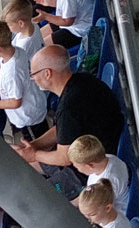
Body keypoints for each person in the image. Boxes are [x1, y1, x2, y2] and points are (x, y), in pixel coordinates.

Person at [18, 46, 126, 179]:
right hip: (101, 145)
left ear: (47, 73)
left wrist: (34, 155)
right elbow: (62, 130)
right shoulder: (82, 79)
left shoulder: (68, 107)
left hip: (97, 163)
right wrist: (35, 146)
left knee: (39, 192)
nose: (33, 79)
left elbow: (64, 158)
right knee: (30, 165)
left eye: (33, 74)